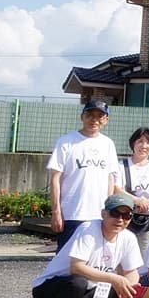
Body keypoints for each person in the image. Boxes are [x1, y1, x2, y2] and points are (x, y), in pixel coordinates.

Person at [32, 193, 142, 298]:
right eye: (115, 213)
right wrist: (115, 278)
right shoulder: (89, 228)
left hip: (88, 290)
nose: (120, 219)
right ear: (104, 214)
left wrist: (130, 289)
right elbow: (76, 267)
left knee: (128, 287)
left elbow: (132, 271)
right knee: (78, 282)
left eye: (126, 215)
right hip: (51, 289)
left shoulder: (129, 238)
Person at [47, 100, 120, 252]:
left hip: (99, 214)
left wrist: (109, 210)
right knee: (65, 263)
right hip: (71, 213)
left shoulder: (108, 144)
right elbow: (55, 178)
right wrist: (56, 211)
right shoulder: (66, 142)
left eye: (100, 116)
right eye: (90, 115)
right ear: (82, 117)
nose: (94, 120)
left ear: (106, 120)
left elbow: (110, 178)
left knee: (93, 259)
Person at [117, 127, 149, 255]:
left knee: (147, 256)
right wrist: (137, 201)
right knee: (123, 254)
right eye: (140, 141)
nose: (144, 146)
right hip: (125, 218)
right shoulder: (121, 165)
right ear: (133, 143)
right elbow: (116, 188)